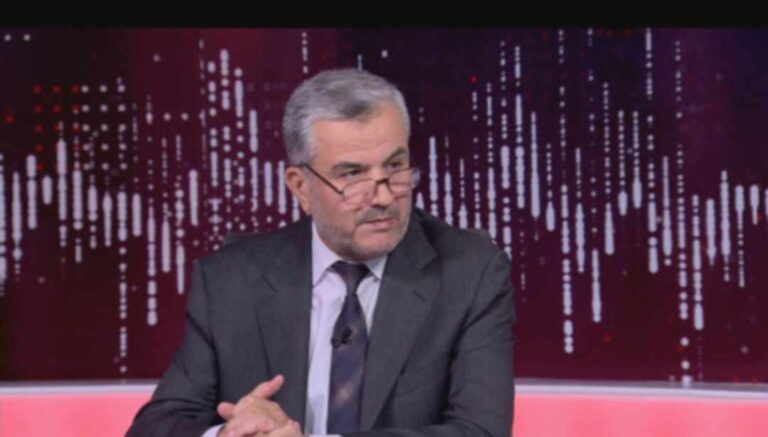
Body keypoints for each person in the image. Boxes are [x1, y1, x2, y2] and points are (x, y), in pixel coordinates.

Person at [127, 68, 515, 437]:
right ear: (300, 187)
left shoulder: (470, 273)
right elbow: (156, 425)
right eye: (353, 175)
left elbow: (480, 432)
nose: (383, 197)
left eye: (395, 167)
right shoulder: (231, 280)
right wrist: (231, 434)